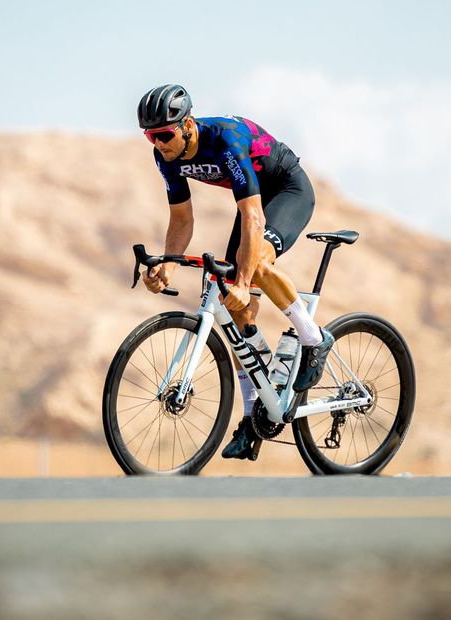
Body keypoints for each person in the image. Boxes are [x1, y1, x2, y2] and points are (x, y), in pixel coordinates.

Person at [138, 83, 334, 461]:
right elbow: (181, 217)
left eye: (163, 134)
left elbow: (253, 215)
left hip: (286, 190)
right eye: (150, 136)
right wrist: (168, 265)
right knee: (236, 310)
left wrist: (244, 281)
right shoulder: (165, 156)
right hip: (253, 202)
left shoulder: (224, 139)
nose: (158, 143)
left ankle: (314, 337)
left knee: (255, 266)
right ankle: (254, 415)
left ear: (187, 125)